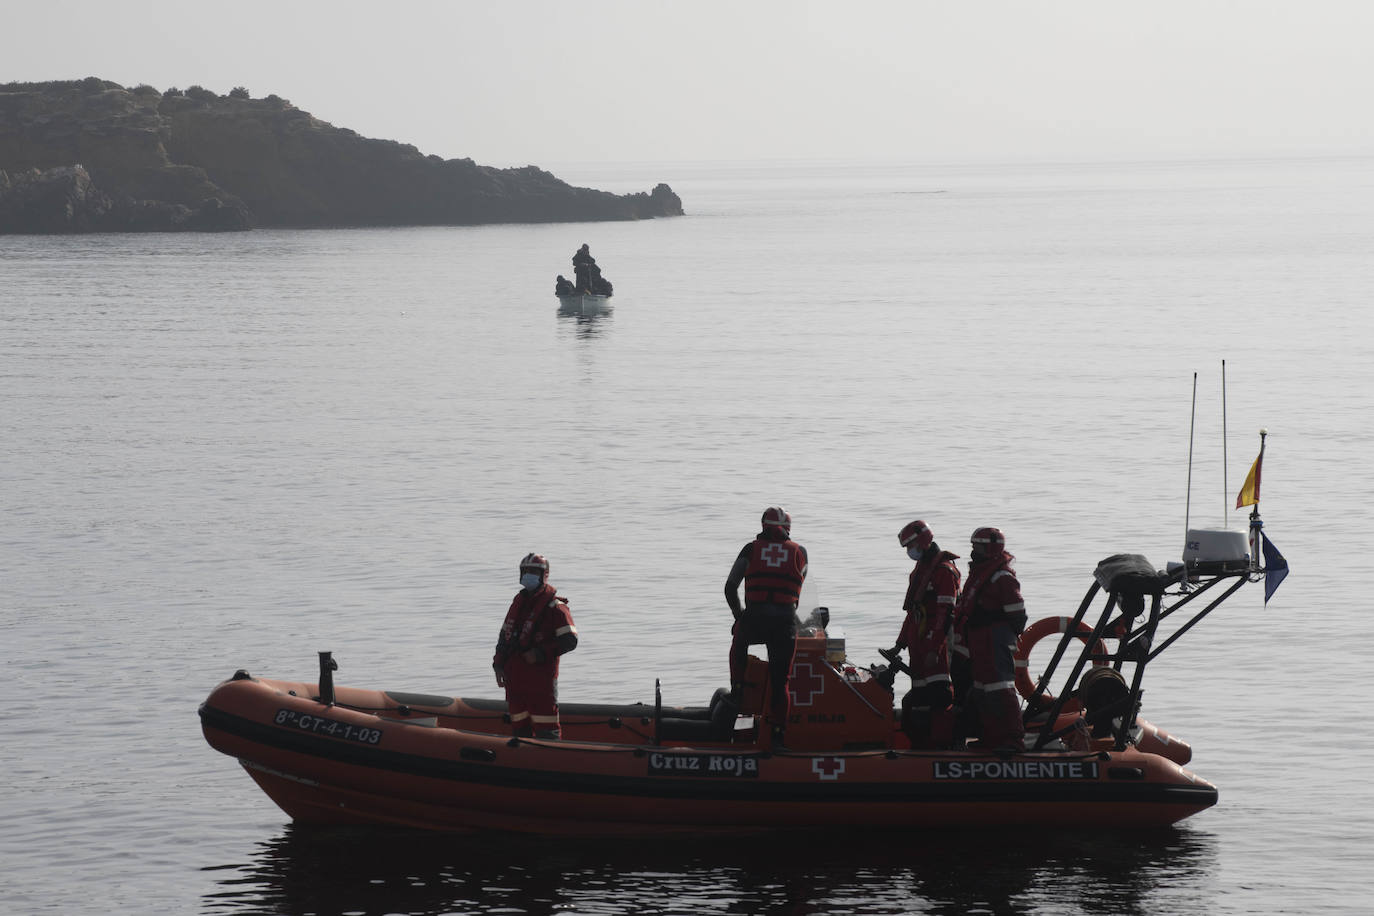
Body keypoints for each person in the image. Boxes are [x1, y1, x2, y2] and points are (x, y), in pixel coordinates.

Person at [725, 506, 808, 746]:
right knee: (781, 682)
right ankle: (778, 737)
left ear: (763, 526)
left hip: (755, 618)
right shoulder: (800, 552)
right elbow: (798, 590)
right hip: (784, 623)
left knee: (738, 644)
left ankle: (738, 690)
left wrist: (738, 615)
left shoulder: (751, 549)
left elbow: (730, 587)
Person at [888, 520, 962, 748]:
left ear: (922, 542)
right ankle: (922, 742)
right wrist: (899, 645)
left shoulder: (943, 571)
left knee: (939, 694)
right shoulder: (920, 571)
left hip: (936, 641)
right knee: (918, 696)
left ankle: (944, 744)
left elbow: (945, 613)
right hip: (918, 641)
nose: (909, 553)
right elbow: (913, 613)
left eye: (910, 547)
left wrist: (935, 647)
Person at [954, 527, 1028, 752]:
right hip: (978, 639)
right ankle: (991, 737)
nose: (973, 551)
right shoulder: (980, 573)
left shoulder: (1002, 577)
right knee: (981, 689)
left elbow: (1018, 615)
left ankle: (1013, 740)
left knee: (1000, 688)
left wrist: (994, 624)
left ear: (990, 548)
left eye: (977, 547)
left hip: (994, 639)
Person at [492, 553, 579, 739]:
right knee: (519, 727)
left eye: (532, 572)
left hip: (540, 680)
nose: (527, 575)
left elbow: (570, 640)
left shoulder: (555, 607)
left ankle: (550, 759)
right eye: (525, 571)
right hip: (515, 679)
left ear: (544, 575)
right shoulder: (519, 602)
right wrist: (497, 665)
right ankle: (521, 759)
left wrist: (539, 653)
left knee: (546, 727)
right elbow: (504, 638)